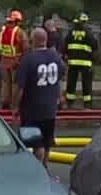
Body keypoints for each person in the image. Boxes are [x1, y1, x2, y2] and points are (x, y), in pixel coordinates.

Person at [14, 27, 66, 166]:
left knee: (37, 143)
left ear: (33, 41)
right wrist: (60, 97)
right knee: (47, 141)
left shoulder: (28, 60)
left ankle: (38, 170)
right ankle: (45, 166)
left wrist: (15, 106)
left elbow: (20, 87)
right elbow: (59, 79)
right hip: (50, 108)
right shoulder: (55, 57)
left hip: (32, 108)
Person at [0, 10, 28, 109]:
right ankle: (15, 105)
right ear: (17, 21)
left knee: (6, 83)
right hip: (16, 63)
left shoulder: (1, 32)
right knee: (16, 84)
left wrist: (0, 60)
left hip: (4, 62)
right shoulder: (20, 33)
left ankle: (5, 102)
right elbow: (26, 49)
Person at [64, 13, 96, 108]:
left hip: (73, 62)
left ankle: (69, 101)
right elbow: (94, 45)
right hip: (85, 62)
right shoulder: (88, 32)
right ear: (85, 22)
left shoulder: (71, 32)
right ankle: (87, 102)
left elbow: (65, 45)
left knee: (71, 82)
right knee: (86, 82)